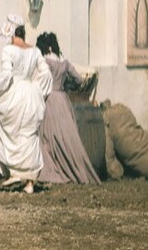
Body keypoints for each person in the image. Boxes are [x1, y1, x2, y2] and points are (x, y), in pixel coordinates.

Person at [0, 14, 52, 194]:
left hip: (14, 93)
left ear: (12, 33)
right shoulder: (35, 51)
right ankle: (29, 180)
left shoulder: (8, 51)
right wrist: (38, 89)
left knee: (12, 134)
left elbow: (6, 76)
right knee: (28, 135)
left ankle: (15, 172)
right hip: (30, 93)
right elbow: (46, 74)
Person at [36, 32, 101, 184]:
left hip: (48, 99)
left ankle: (51, 169)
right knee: (67, 137)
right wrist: (66, 85)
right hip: (63, 101)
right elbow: (79, 79)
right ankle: (73, 167)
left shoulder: (44, 61)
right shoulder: (64, 62)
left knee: (47, 136)